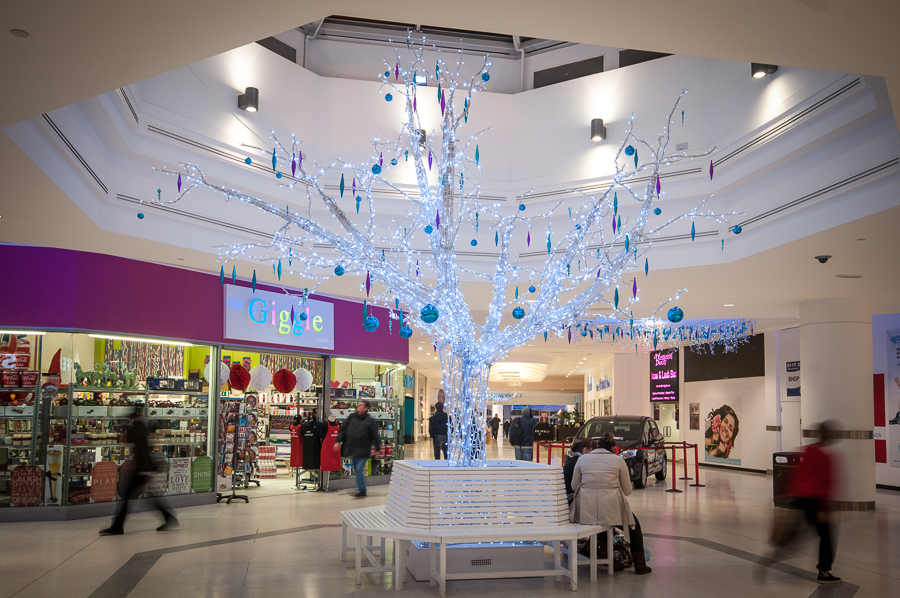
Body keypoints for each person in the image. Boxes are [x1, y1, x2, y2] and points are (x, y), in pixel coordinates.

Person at [570, 432, 651, 575]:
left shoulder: (583, 459)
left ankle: (605, 555)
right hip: (610, 507)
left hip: (585, 509)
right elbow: (627, 491)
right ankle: (640, 565)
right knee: (634, 526)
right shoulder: (618, 460)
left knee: (601, 520)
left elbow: (574, 485)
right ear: (613, 448)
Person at [100, 409, 178, 535]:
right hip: (143, 468)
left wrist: (143, 470)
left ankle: (118, 526)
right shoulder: (142, 425)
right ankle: (168, 518)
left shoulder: (139, 426)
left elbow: (137, 444)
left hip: (142, 469)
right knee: (146, 496)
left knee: (129, 496)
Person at [787, 421, 842, 584]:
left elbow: (799, 475)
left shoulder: (809, 451)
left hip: (801, 499)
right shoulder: (825, 457)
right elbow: (825, 485)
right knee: (826, 536)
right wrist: (823, 509)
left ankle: (772, 558)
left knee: (801, 535)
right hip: (815, 501)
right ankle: (824, 571)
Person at [334, 400, 381, 497]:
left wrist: (377, 449)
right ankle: (361, 487)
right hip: (353, 448)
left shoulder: (370, 421)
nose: (358, 407)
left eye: (361, 406)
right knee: (357, 469)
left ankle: (362, 490)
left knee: (359, 469)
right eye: (358, 405)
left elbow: (375, 436)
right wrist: (338, 441)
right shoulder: (351, 417)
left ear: (366, 408)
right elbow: (343, 429)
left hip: (364, 449)